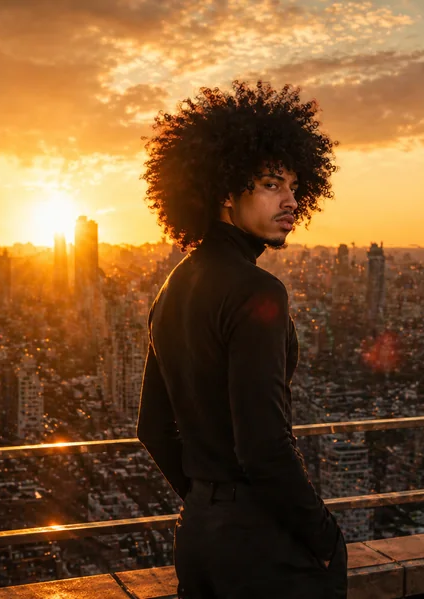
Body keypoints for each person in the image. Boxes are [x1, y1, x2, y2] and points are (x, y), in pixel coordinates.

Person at [136, 80, 346, 598]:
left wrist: (209, 500)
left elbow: (153, 429)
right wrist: (325, 536)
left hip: (199, 539)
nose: (292, 201)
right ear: (226, 192)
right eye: (272, 185)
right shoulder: (257, 290)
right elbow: (264, 446)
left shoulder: (172, 287)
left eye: (295, 188)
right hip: (261, 546)